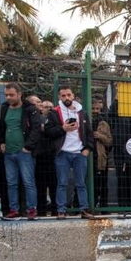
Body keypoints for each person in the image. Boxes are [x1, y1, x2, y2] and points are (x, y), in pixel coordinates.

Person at [44, 86, 96, 220]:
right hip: (62, 152)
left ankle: (84, 209)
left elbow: (89, 132)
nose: (66, 98)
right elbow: (48, 132)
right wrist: (63, 128)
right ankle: (61, 210)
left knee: (81, 183)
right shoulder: (54, 112)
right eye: (63, 96)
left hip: (79, 152)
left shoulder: (82, 113)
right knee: (62, 182)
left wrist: (87, 149)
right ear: (59, 97)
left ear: (73, 96)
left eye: (68, 95)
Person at [0, 83, 42, 221]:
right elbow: (1, 126)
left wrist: (28, 147)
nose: (8, 97)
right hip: (8, 152)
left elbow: (36, 129)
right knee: (11, 182)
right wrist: (1, 142)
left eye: (11, 95)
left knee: (28, 181)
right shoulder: (5, 108)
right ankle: (13, 210)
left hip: (24, 152)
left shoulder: (30, 109)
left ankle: (31, 209)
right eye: (6, 95)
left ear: (19, 94)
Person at [35, 99, 58, 216]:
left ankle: (55, 209)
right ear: (41, 108)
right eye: (46, 106)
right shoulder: (36, 119)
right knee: (41, 186)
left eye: (50, 106)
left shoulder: (55, 119)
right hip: (39, 155)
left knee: (54, 184)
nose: (48, 109)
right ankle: (41, 211)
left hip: (52, 155)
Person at [90, 99, 113, 209]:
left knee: (103, 184)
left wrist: (100, 136)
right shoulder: (84, 121)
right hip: (87, 157)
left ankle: (103, 207)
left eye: (98, 109)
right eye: (93, 108)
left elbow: (109, 141)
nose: (95, 111)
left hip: (100, 157)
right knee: (88, 183)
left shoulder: (105, 124)